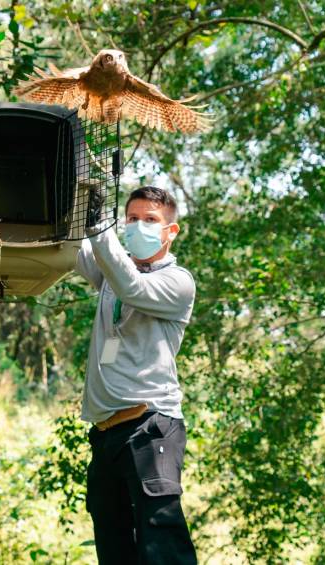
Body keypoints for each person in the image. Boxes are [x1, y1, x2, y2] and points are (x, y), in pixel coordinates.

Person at [76, 186, 198, 564]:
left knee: (162, 547)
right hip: (105, 435)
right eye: (132, 219)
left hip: (151, 428)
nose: (139, 226)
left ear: (171, 231)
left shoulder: (177, 282)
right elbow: (67, 246)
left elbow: (131, 285)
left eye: (151, 220)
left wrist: (98, 226)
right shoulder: (111, 272)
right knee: (115, 552)